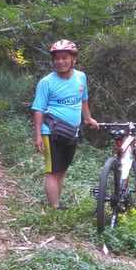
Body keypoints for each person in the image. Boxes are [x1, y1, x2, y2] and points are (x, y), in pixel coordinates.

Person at [31, 39, 99, 209]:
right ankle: (55, 208)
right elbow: (38, 109)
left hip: (71, 132)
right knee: (52, 171)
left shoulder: (81, 77)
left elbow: (83, 100)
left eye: (64, 58)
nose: (60, 62)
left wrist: (88, 118)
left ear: (73, 59)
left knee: (62, 170)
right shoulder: (46, 82)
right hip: (51, 132)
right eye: (57, 58)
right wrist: (38, 135)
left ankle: (57, 202)